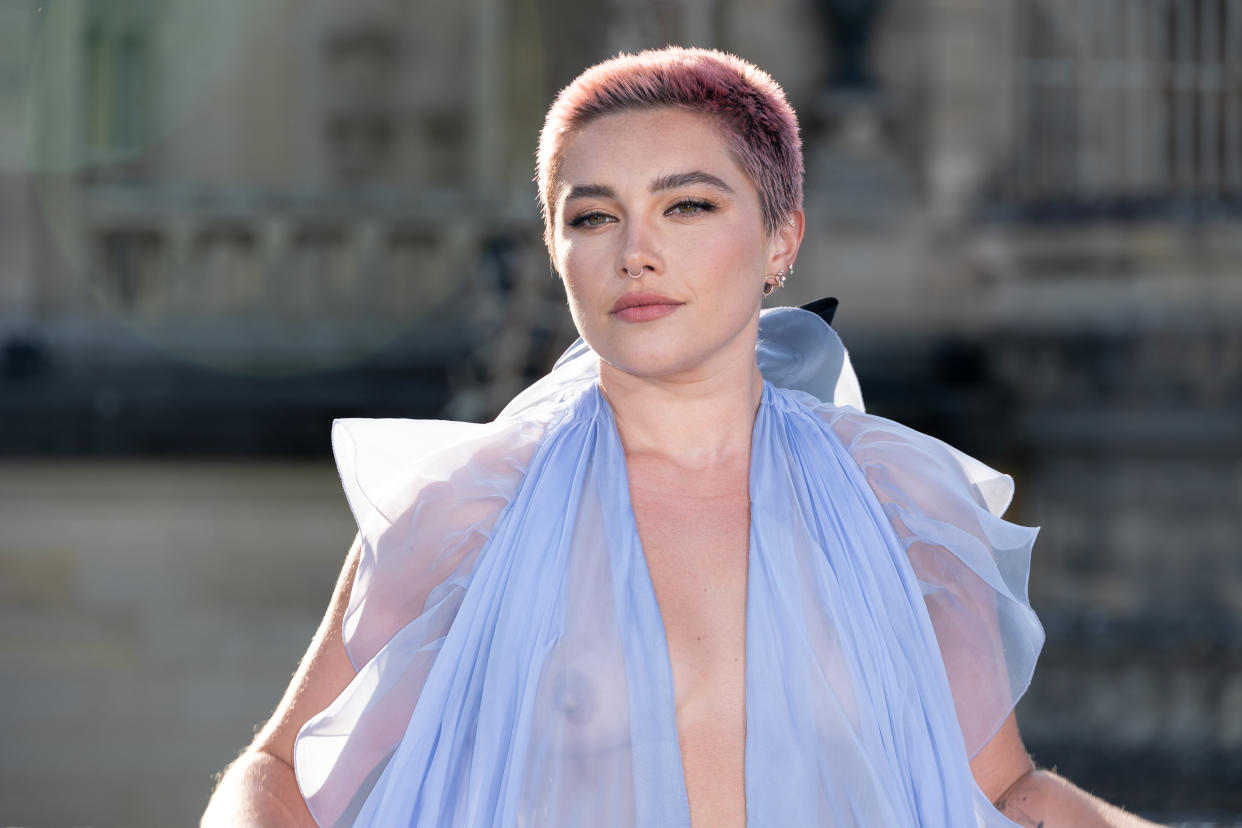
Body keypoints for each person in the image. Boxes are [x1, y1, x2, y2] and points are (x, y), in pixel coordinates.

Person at [203, 47, 1159, 827]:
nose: (636, 251)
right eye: (593, 216)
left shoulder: (900, 503)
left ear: (781, 240)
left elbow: (1002, 793)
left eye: (687, 204)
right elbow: (279, 772)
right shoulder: (468, 505)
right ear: (555, 248)